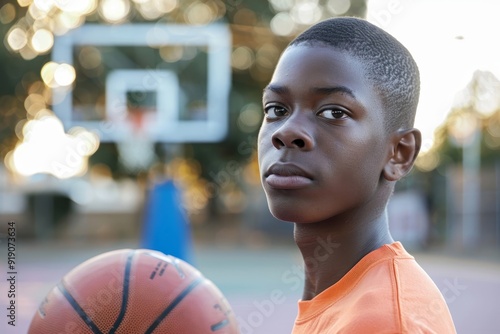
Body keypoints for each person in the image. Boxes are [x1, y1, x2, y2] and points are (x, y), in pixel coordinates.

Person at [257, 17, 456, 333]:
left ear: (399, 153)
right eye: (276, 110)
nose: (286, 131)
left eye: (334, 112)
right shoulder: (348, 295)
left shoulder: (384, 321)